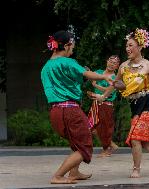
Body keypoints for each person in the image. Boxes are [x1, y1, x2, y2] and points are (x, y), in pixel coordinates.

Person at [97, 28, 149, 178]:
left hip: (148, 103)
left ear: (140, 47)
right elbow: (114, 84)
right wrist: (103, 97)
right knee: (147, 144)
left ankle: (136, 170)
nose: (127, 49)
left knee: (135, 139)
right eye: (126, 46)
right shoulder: (123, 66)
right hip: (134, 105)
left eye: (130, 45)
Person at [41, 30, 112, 184]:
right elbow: (88, 75)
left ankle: (74, 172)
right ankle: (58, 176)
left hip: (55, 112)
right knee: (85, 145)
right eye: (72, 46)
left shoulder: (45, 67)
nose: (73, 49)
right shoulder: (68, 62)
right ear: (66, 45)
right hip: (70, 110)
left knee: (76, 141)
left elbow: (58, 84)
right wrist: (104, 76)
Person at [87, 55, 120, 157]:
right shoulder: (98, 72)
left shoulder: (115, 78)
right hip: (96, 103)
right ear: (107, 61)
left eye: (114, 63)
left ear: (117, 66)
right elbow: (90, 77)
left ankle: (106, 150)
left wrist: (95, 85)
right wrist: (89, 73)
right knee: (90, 127)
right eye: (110, 61)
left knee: (104, 127)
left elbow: (108, 92)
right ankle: (111, 144)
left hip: (106, 104)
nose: (111, 64)